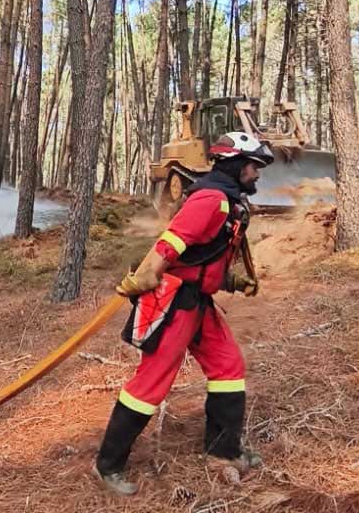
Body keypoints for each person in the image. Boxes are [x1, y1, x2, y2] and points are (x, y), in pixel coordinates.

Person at [93, 132, 272, 496]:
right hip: (175, 303)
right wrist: (145, 275)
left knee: (228, 367)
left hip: (199, 303)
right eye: (254, 167)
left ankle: (222, 451)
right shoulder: (211, 199)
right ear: (237, 166)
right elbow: (173, 241)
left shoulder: (229, 202)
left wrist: (234, 282)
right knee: (151, 383)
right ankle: (108, 465)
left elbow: (203, 258)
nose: (257, 174)